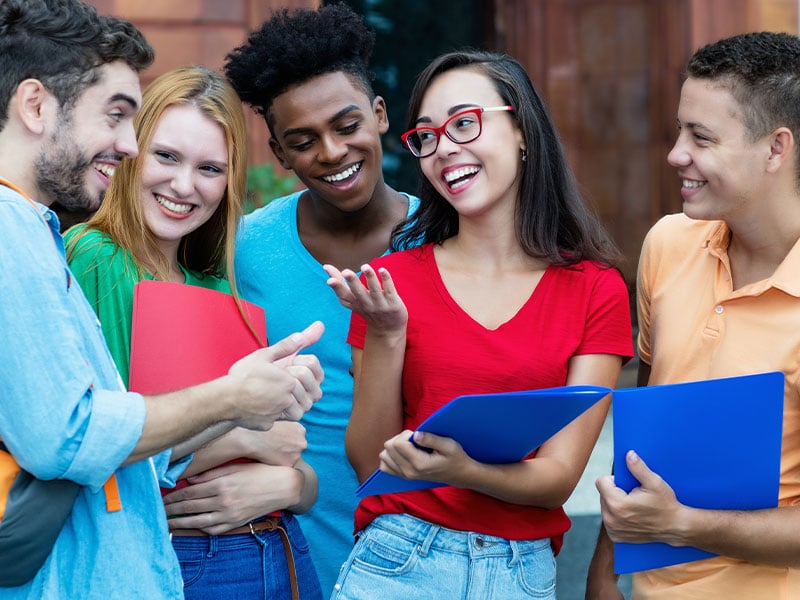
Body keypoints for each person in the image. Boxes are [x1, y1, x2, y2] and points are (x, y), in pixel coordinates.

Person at [0, 1, 323, 598]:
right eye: (164, 154)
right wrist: (241, 424)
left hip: (271, 548)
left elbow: (289, 461)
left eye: (210, 168)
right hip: (180, 556)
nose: (183, 184)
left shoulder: (215, 278)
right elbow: (84, 447)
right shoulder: (81, 252)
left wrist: (294, 481)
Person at [324, 49, 633, 599]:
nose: (444, 149)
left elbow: (557, 479)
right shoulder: (393, 280)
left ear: (522, 132)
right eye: (426, 136)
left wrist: (465, 470)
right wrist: (387, 332)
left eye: (464, 123)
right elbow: (370, 462)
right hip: (397, 560)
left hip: (521, 574)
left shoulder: (595, 288)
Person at [586, 31, 800, 600]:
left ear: (776, 149)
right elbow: (647, 429)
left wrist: (682, 524)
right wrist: (607, 569)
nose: (676, 153)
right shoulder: (668, 244)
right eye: (680, 130)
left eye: (700, 137)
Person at [224, 4, 419, 593]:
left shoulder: (449, 236)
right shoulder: (247, 250)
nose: (331, 152)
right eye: (303, 141)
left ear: (380, 115)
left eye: (346, 125)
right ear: (279, 155)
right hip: (290, 557)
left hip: (426, 557)